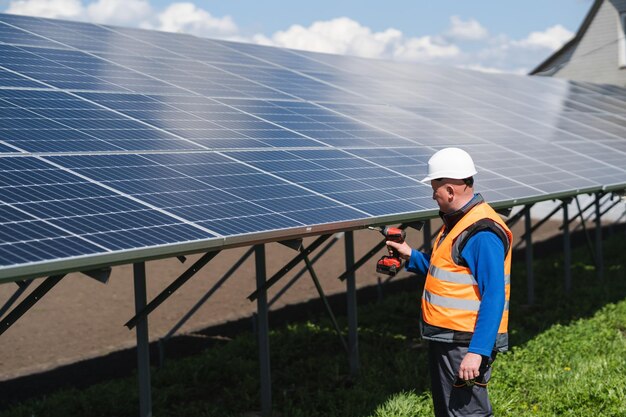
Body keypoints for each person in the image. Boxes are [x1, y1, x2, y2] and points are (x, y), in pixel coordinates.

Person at [386, 147, 512, 417]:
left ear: (451, 191)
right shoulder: (460, 223)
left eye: (435, 190)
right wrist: (410, 255)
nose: (433, 196)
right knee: (451, 411)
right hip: (450, 338)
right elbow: (446, 270)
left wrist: (476, 352)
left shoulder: (482, 232)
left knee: (466, 413)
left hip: (464, 342)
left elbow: (494, 295)